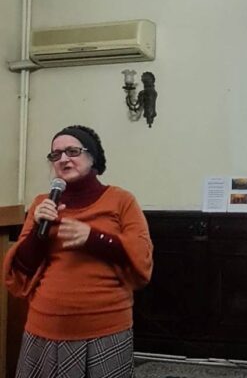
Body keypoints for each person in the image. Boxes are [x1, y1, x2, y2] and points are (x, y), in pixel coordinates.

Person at [2, 125, 153, 377]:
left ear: (92, 157)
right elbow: (20, 273)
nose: (63, 159)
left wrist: (94, 239)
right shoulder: (42, 203)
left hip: (105, 328)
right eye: (56, 154)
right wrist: (39, 231)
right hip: (45, 326)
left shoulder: (121, 200)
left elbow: (141, 260)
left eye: (72, 151)